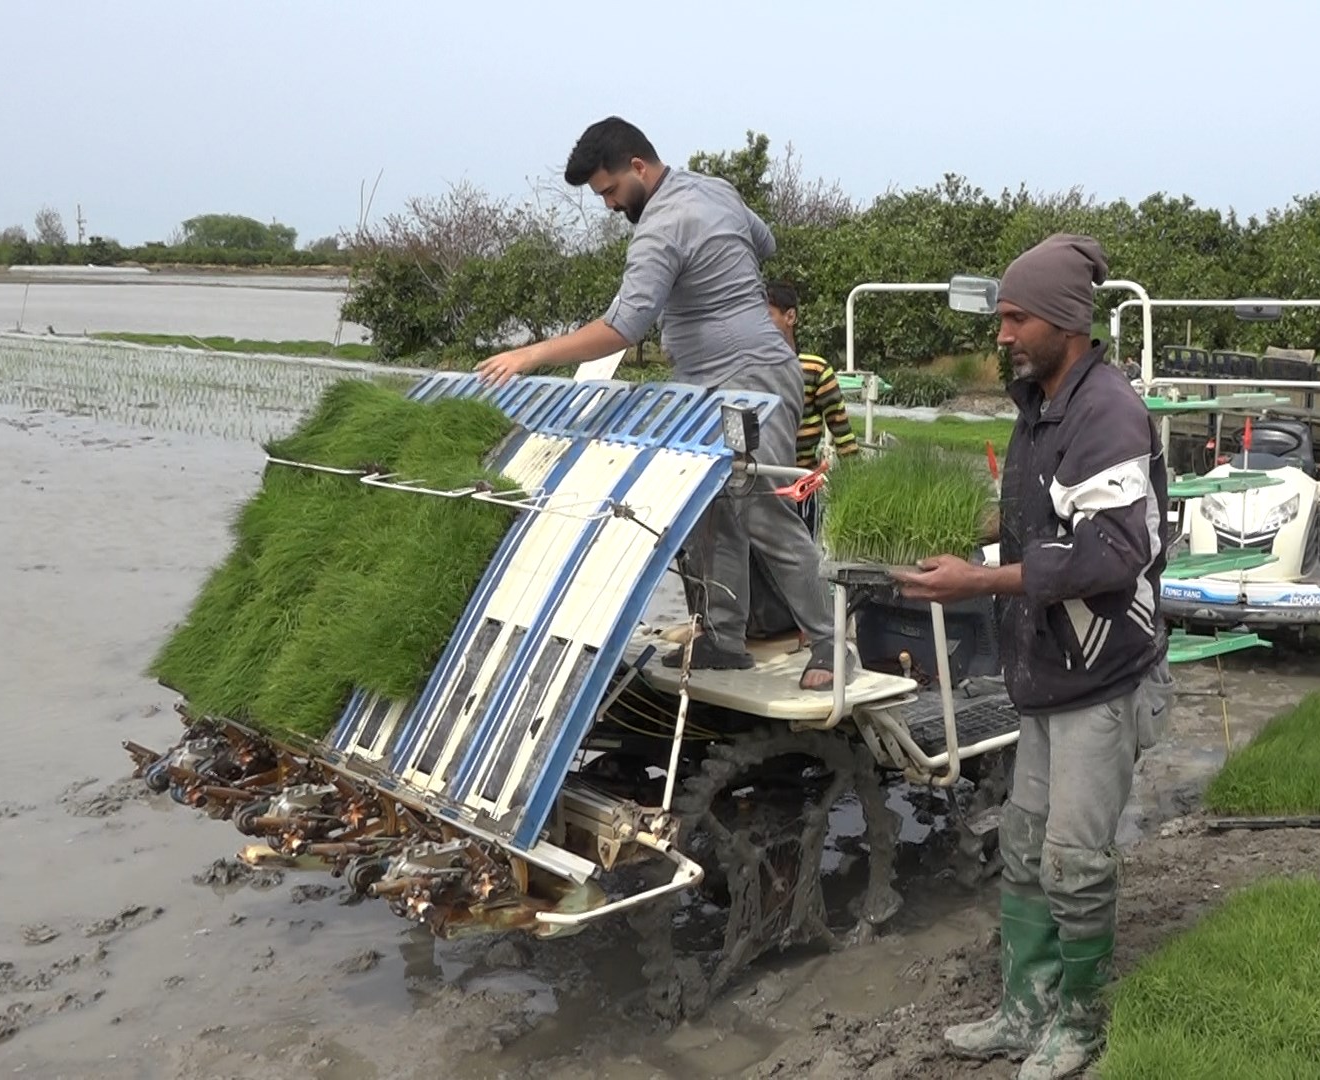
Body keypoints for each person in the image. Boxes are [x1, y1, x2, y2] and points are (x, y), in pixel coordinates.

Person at [893, 233, 1172, 1080]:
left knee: (1077, 862)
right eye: (1002, 318)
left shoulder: (1107, 413)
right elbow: (1039, 520)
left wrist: (982, 578)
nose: (1002, 334)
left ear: (1064, 321)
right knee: (1024, 845)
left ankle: (1080, 1024)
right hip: (1047, 673)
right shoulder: (1040, 404)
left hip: (1101, 672)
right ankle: (1024, 1008)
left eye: (1016, 318)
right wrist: (952, 528)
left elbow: (1110, 554)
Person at [473, 116, 838, 690]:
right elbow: (764, 243)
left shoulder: (661, 224)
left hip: (751, 378)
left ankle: (830, 646)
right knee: (712, 512)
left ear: (638, 167)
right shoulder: (715, 189)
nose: (611, 206)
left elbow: (625, 324)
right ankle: (722, 640)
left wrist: (530, 355)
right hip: (709, 383)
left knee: (763, 509)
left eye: (611, 192)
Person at [765, 280, 859, 473]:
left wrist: (858, 481)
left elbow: (841, 430)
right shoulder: (750, 369)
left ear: (790, 317)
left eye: (768, 316)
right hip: (761, 478)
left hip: (802, 480)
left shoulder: (815, 369)